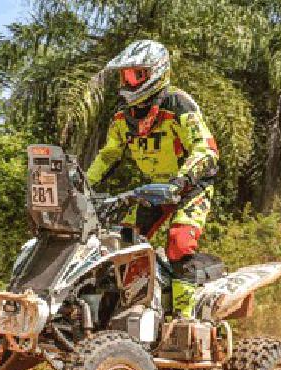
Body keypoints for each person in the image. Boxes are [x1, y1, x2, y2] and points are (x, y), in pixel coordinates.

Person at [86, 39, 219, 319]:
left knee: (180, 242)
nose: (130, 82)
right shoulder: (123, 118)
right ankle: (132, 310)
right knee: (123, 242)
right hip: (153, 190)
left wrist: (181, 182)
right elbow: (109, 155)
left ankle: (185, 319)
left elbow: (206, 149)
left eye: (137, 75)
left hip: (190, 186)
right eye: (126, 76)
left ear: (157, 72)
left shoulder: (178, 104)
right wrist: (82, 185)